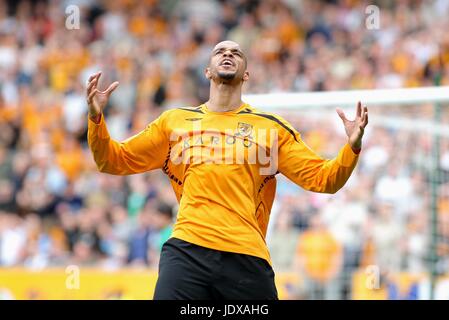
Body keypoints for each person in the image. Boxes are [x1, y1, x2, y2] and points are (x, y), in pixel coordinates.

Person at [86, 40, 368, 300]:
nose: (228, 54)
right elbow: (112, 160)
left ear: (246, 74)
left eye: (236, 53)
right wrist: (96, 118)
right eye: (220, 51)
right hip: (188, 248)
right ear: (208, 71)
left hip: (245, 255)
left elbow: (324, 180)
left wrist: (351, 147)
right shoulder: (174, 122)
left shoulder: (270, 129)